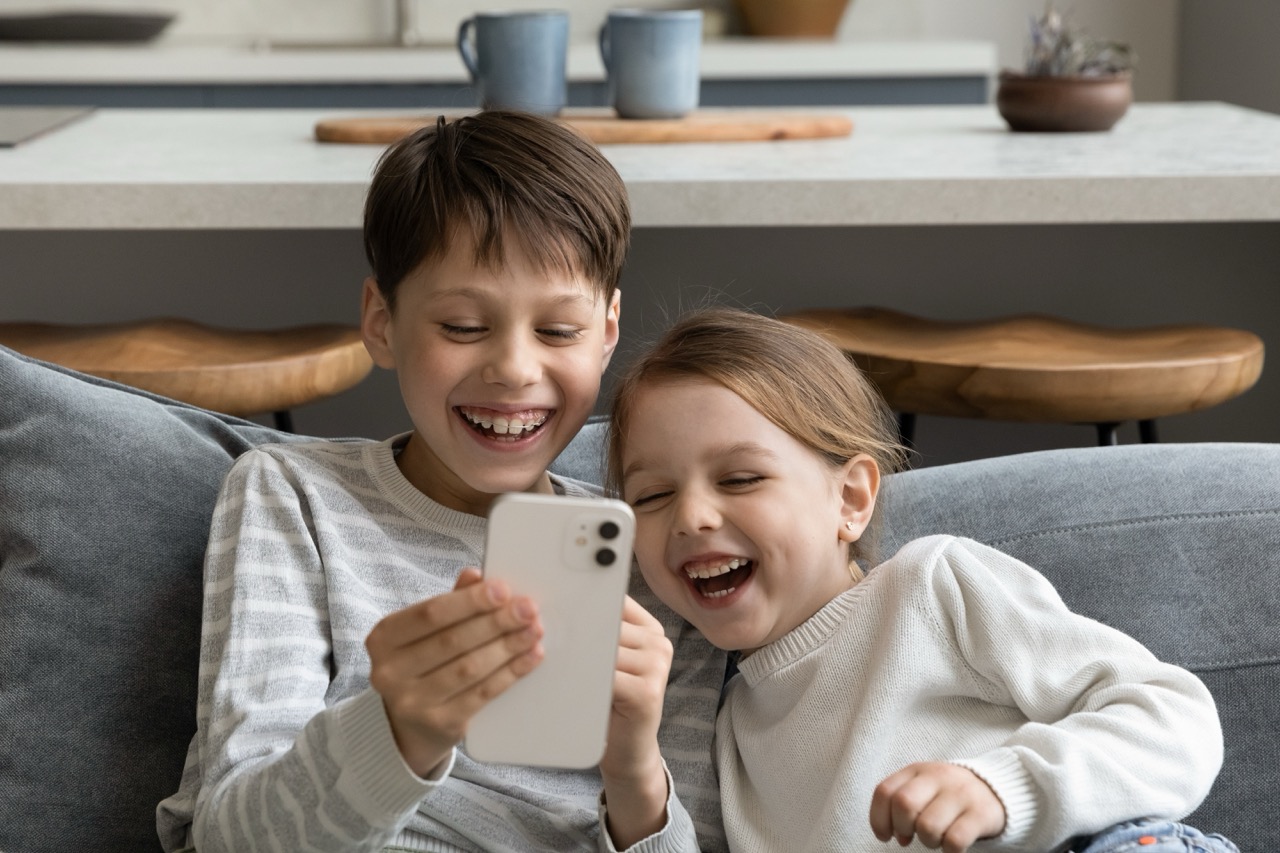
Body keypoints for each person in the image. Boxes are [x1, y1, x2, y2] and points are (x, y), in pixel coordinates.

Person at [156, 112, 727, 853]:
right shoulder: (294, 497)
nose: (514, 369)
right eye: (462, 326)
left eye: (558, 331)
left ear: (607, 331)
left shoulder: (663, 545)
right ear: (382, 322)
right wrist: (398, 732)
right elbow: (231, 836)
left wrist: (636, 774)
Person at [606, 307, 1237, 853]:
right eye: (652, 495)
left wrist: (1002, 786)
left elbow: (1173, 717)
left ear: (850, 499)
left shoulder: (932, 588)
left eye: (741, 479)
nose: (690, 517)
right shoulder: (728, 738)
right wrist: (629, 768)